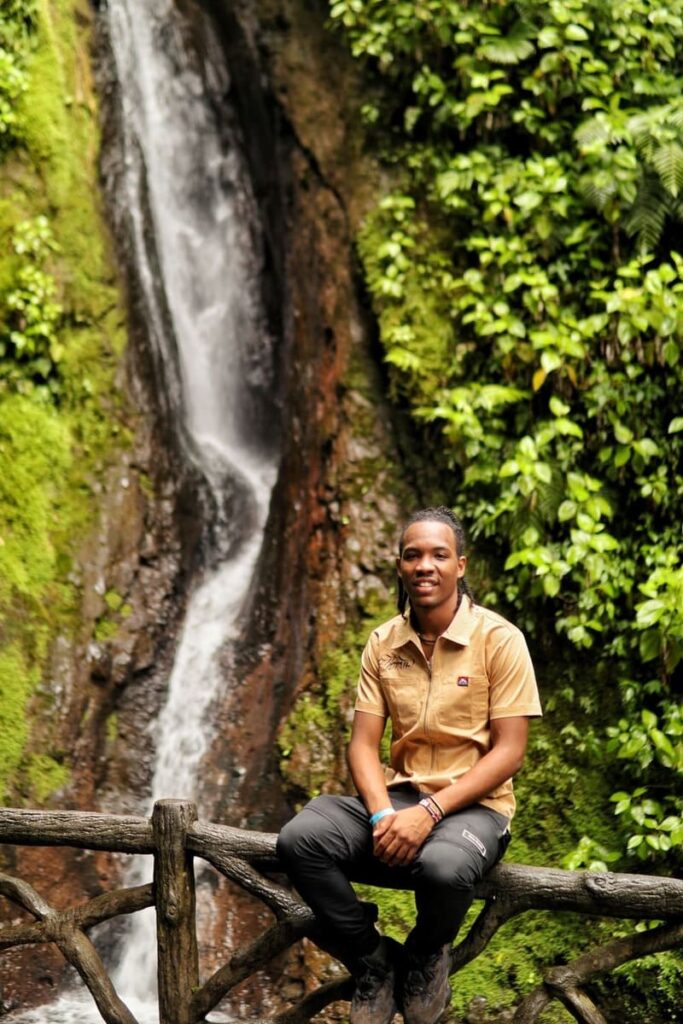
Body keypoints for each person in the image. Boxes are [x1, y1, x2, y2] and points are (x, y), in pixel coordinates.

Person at [277, 507, 542, 1024]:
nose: (425, 565)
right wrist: (381, 815)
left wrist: (431, 811)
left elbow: (510, 751)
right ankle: (372, 959)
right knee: (299, 840)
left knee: (441, 869)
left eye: (439, 555)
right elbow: (362, 745)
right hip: (397, 798)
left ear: (460, 565)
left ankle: (424, 955)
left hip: (476, 807)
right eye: (413, 555)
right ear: (400, 566)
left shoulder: (499, 640)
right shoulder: (384, 642)